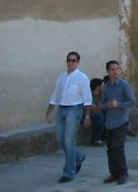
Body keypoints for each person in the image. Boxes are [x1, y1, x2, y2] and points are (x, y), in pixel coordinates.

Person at [46, 51, 92, 183]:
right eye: (68, 60)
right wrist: (49, 112)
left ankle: (69, 172)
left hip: (75, 110)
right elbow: (55, 95)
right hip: (62, 109)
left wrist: (87, 116)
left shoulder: (82, 78)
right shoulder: (62, 77)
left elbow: (87, 99)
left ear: (78, 62)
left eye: (73, 60)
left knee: (69, 142)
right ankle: (78, 157)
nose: (70, 63)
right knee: (60, 140)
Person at [101, 60, 136, 185]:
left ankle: (123, 173)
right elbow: (102, 104)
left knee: (118, 147)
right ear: (108, 71)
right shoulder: (106, 87)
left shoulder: (124, 85)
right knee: (110, 148)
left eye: (117, 69)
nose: (115, 71)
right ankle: (114, 173)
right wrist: (107, 105)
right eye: (112, 69)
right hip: (109, 122)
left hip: (121, 121)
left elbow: (132, 101)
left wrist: (118, 104)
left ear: (119, 70)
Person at [89, 78, 105, 146]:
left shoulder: (102, 95)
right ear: (98, 87)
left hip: (97, 112)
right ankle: (96, 139)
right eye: (102, 86)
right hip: (88, 115)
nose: (104, 88)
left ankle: (105, 138)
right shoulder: (90, 95)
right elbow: (93, 108)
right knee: (99, 116)